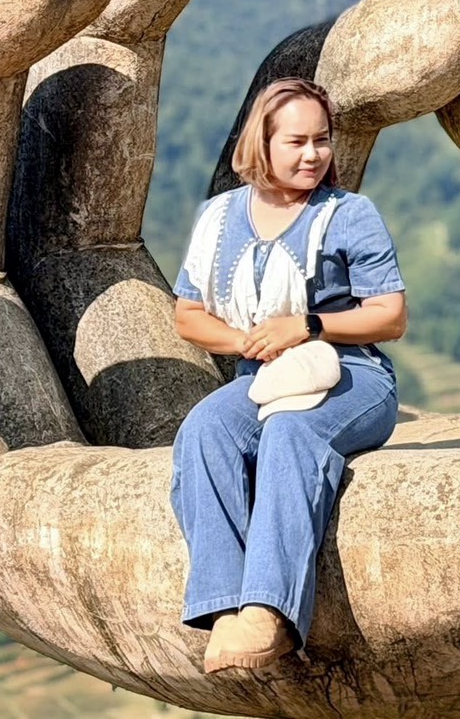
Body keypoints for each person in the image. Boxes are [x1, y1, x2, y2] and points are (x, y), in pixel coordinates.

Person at [170, 78, 407, 673]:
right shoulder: (219, 217)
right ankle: (224, 608)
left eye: (321, 140)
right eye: (297, 142)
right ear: (263, 143)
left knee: (291, 430)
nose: (313, 154)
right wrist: (250, 341)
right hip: (264, 375)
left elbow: (390, 316)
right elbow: (187, 315)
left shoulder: (350, 214)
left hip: (352, 374)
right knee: (205, 429)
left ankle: (268, 614)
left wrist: (307, 326)